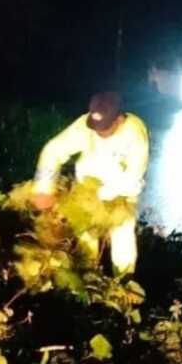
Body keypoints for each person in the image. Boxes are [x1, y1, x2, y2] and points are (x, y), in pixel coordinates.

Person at [29, 91, 150, 275]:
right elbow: (53, 150)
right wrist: (44, 188)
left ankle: (123, 287)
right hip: (86, 189)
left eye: (105, 128)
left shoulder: (135, 132)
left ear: (118, 119)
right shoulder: (85, 126)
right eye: (96, 127)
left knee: (122, 240)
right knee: (85, 242)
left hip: (121, 196)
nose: (99, 132)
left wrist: (101, 195)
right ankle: (89, 280)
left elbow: (132, 177)